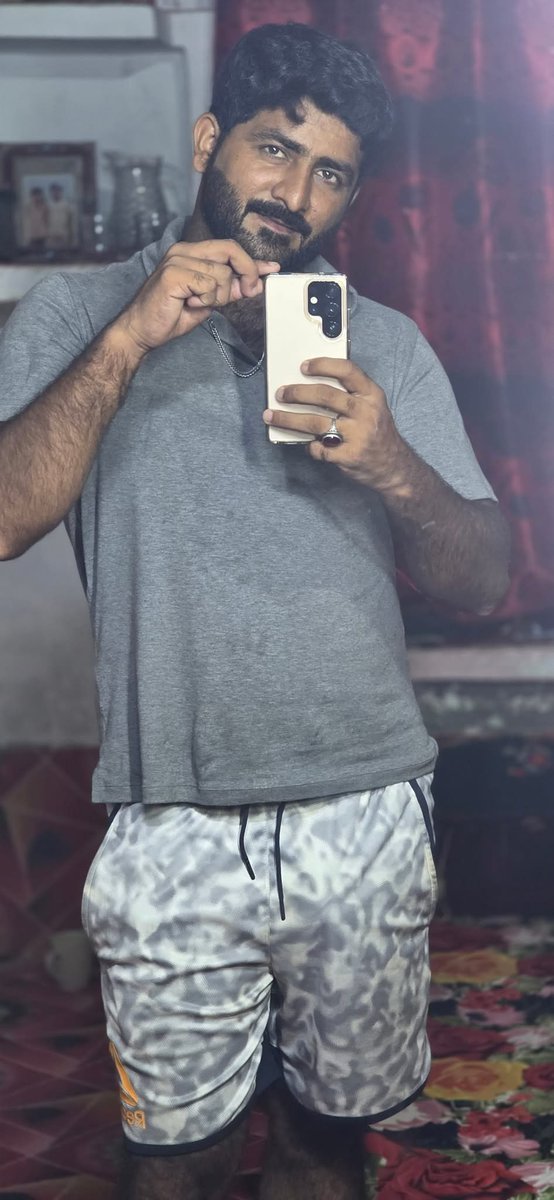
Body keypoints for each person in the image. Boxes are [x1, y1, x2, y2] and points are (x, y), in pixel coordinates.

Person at [0, 22, 510, 1200]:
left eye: (330, 172)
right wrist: (131, 338)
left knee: (325, 1143)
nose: (293, 194)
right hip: (172, 811)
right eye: (273, 149)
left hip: (364, 807)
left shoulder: (381, 343)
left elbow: (480, 577)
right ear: (206, 141)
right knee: (170, 1159)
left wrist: (389, 464)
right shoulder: (81, 314)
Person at [46, 181, 77, 250]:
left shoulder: (67, 205)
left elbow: (71, 221)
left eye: (57, 191)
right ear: (51, 192)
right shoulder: (47, 205)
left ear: (61, 192)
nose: (56, 193)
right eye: (54, 191)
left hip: (64, 234)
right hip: (51, 235)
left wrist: (72, 235)